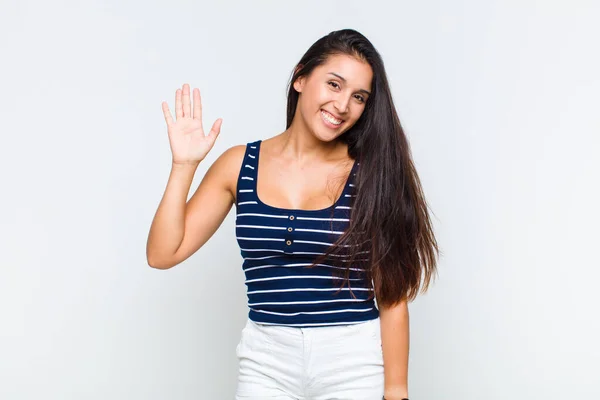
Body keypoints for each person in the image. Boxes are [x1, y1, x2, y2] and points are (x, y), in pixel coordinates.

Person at [146, 28, 438, 400]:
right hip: (266, 362)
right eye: (334, 84)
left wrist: (397, 393)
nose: (343, 105)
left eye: (358, 96)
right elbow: (162, 253)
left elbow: (393, 299)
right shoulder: (240, 165)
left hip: (352, 363)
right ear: (301, 78)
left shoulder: (370, 175)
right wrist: (184, 165)